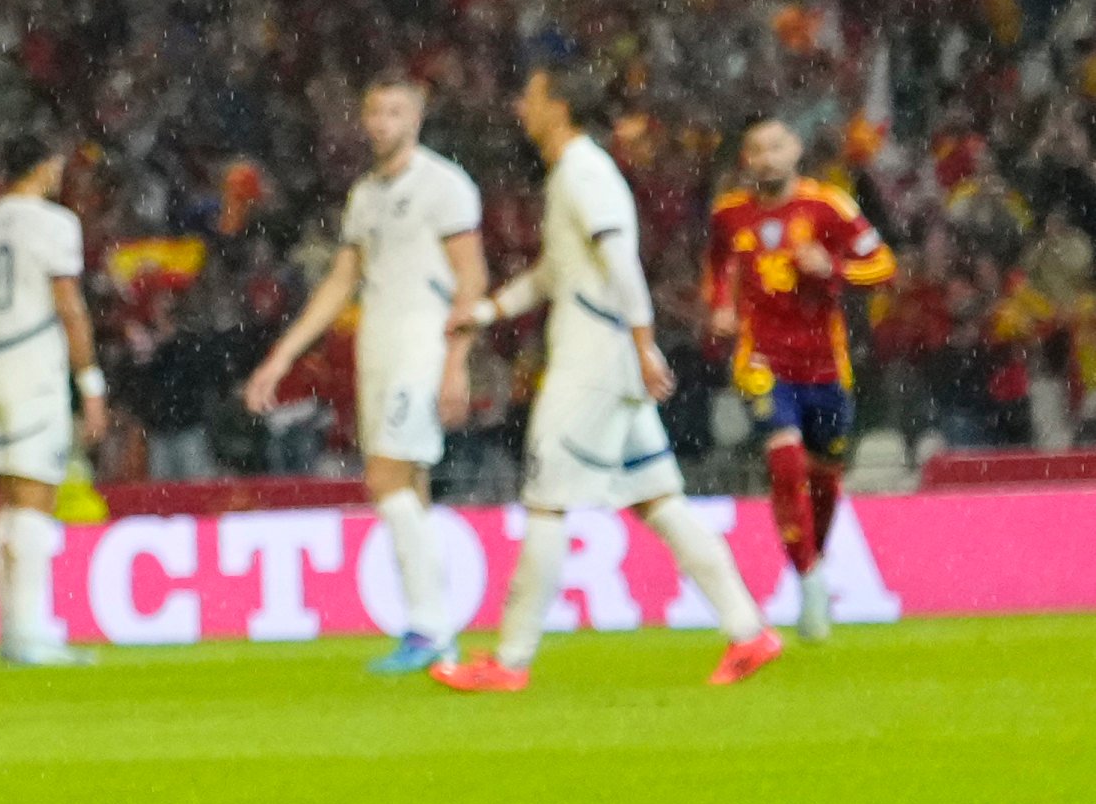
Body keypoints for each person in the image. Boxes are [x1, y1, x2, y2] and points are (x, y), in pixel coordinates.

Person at [439, 69, 785, 692]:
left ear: (561, 107)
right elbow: (554, 274)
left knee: (546, 502)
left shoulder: (584, 172)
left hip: (592, 363)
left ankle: (510, 661)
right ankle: (749, 631)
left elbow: (620, 259)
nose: (521, 104)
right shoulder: (572, 173)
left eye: (533, 96)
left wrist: (644, 344)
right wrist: (488, 311)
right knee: (660, 502)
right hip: (609, 360)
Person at [240, 74, 488, 674]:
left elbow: (472, 279)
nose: (381, 123)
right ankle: (434, 629)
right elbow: (339, 282)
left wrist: (457, 362)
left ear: (417, 120)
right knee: (410, 486)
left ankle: (431, 629)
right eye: (374, 112)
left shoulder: (444, 186)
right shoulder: (366, 194)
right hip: (375, 349)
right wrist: (283, 355)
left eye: (394, 112)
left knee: (384, 479)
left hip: (419, 345)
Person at [703, 117, 895, 641]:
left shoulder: (828, 206)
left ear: (796, 151)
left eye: (776, 146)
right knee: (785, 462)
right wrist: (721, 306)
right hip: (762, 360)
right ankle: (810, 584)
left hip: (826, 364)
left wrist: (831, 267)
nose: (767, 157)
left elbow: (883, 266)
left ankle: (812, 564)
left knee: (825, 477)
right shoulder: (729, 214)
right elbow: (718, 267)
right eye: (756, 149)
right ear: (746, 160)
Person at [0, 133, 103, 668]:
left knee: (8, 497)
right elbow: (70, 307)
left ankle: (13, 628)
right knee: (38, 494)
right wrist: (90, 385)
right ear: (46, 168)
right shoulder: (53, 223)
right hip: (31, 363)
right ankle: (32, 631)